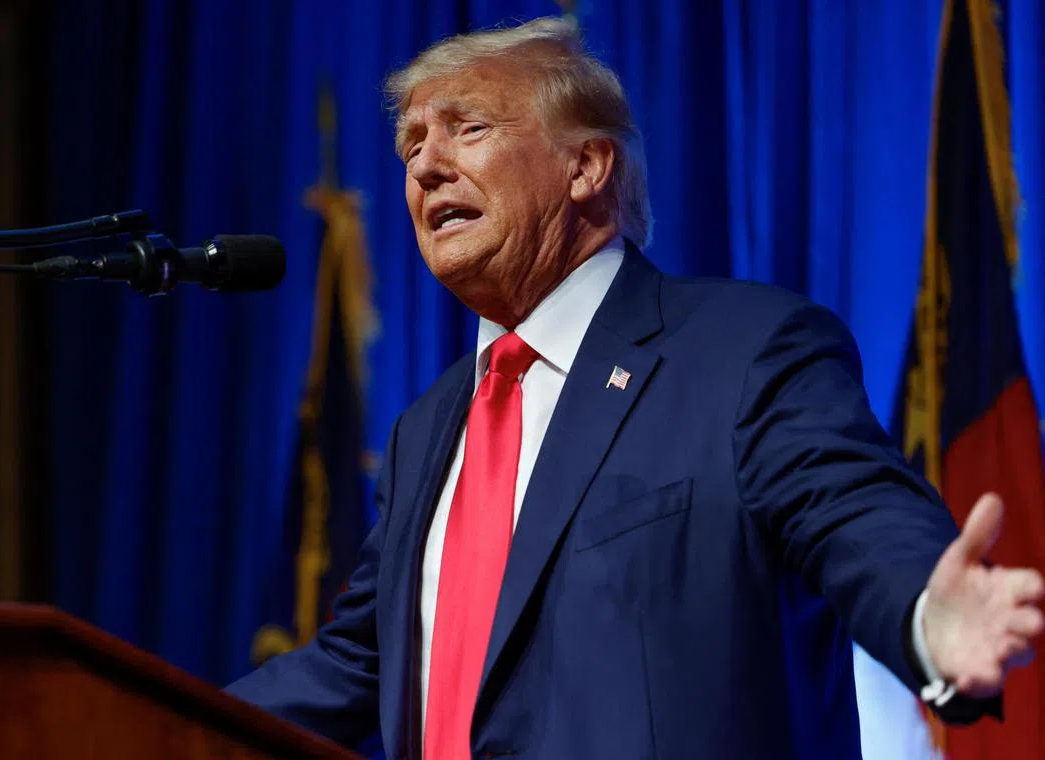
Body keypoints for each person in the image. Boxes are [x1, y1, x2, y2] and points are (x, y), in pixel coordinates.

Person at [226, 16, 1044, 759]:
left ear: (586, 165)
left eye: (467, 129)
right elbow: (355, 663)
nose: (427, 168)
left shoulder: (741, 351)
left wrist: (925, 616)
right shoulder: (425, 430)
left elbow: (854, 513)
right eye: (410, 149)